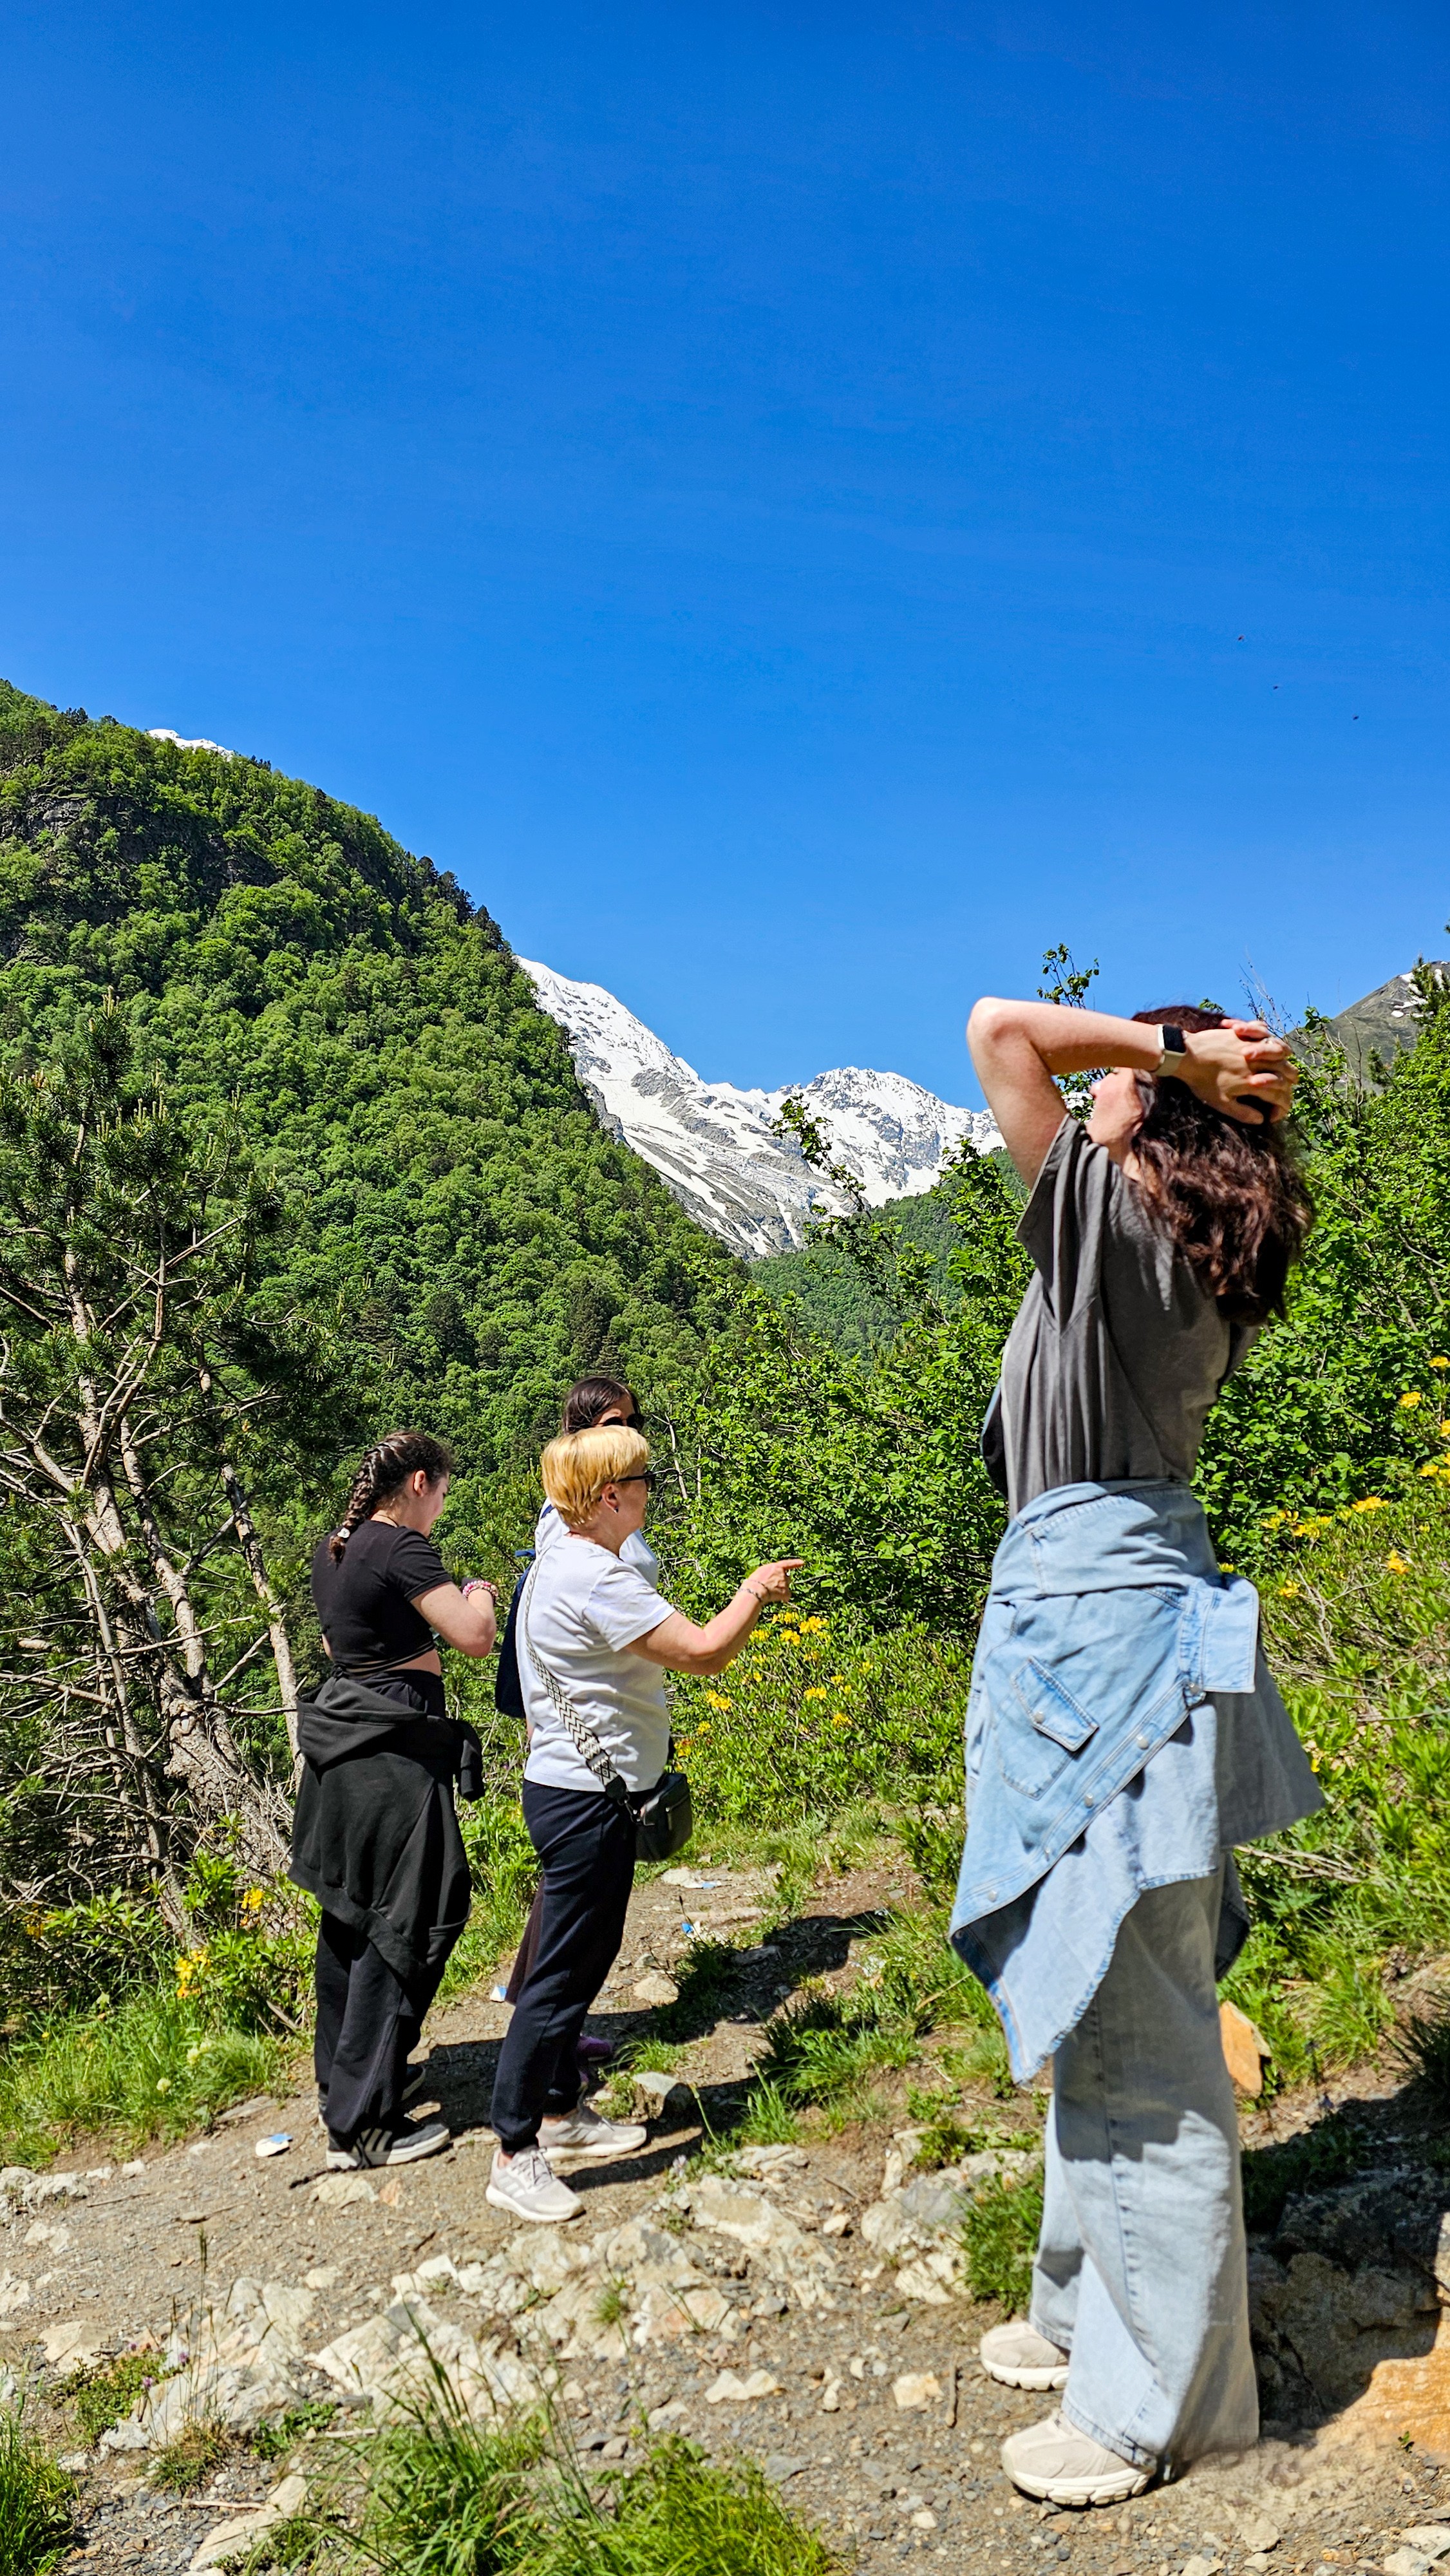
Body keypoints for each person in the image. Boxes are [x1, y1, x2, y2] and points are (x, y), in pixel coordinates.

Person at [952, 999, 1320, 2506]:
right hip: (1135, 1624)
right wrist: (1192, 1085)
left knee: (1133, 2028)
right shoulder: (1158, 1251)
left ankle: (1151, 2405)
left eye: (1128, 1078)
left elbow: (994, 1030)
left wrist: (1161, 1069)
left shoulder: (1106, 1219)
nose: (1096, 1082)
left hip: (1089, 1642)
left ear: (1151, 1125)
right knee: (1100, 1994)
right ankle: (1072, 2306)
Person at [485, 1421, 801, 2224]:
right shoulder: (598, 1577)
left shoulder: (557, 1559)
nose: (650, 1492)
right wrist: (753, 1593)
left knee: (581, 1957)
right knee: (557, 1978)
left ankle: (559, 2115)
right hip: (589, 1801)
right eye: (643, 1481)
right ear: (609, 1497)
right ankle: (514, 2150)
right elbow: (700, 1653)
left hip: (569, 1789)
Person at [291, 1431, 498, 2170]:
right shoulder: (402, 1546)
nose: (440, 1508)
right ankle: (365, 2124)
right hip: (393, 1757)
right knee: (406, 1919)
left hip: (343, 1749)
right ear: (417, 1482)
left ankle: (344, 2085)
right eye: (441, 1492)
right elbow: (474, 1637)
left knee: (350, 1919)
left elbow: (334, 1645)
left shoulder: (335, 1550)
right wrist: (480, 1593)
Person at [499, 1378, 654, 2040]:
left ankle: (543, 2011)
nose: (628, 1437)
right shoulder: (565, 1525)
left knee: (579, 1892)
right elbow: (552, 1617)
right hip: (582, 1737)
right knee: (575, 1892)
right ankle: (543, 2022)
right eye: (615, 1424)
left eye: (633, 1422)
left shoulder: (603, 1514)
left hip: (609, 1714)